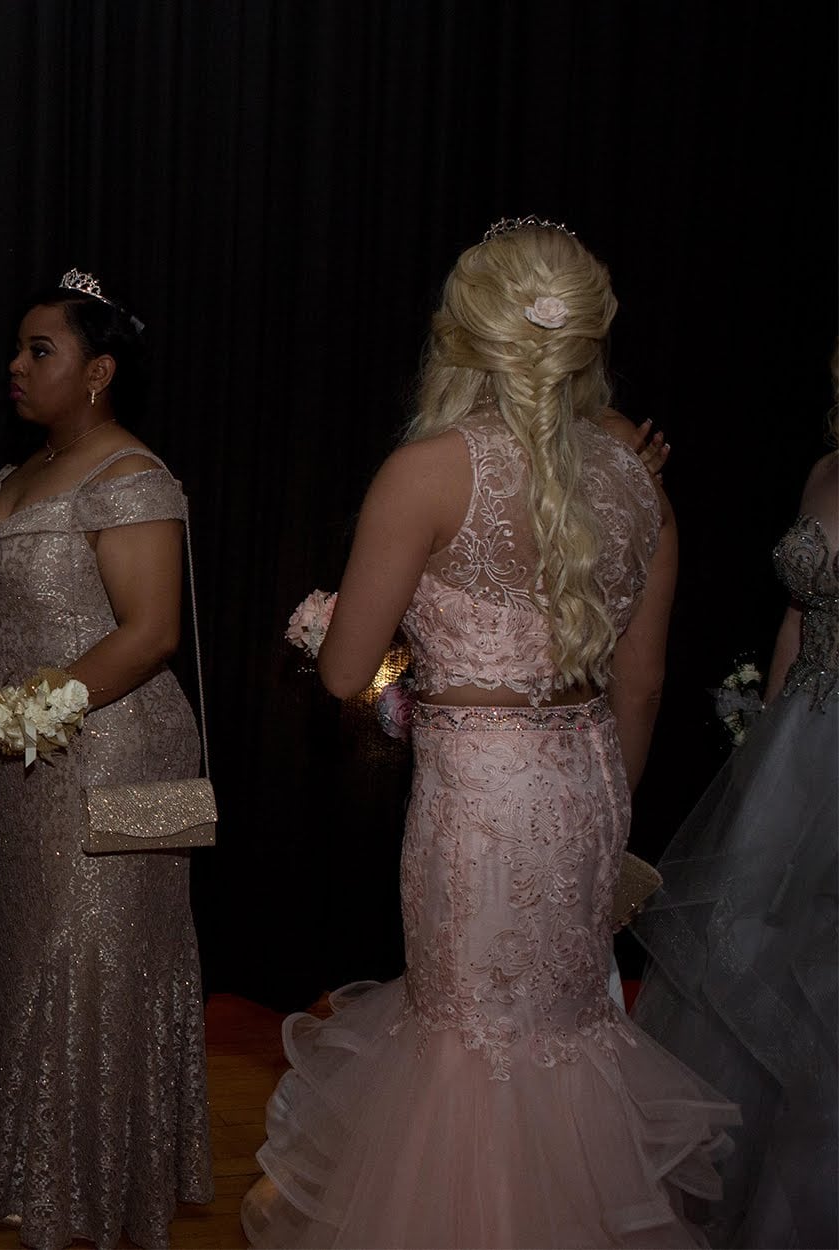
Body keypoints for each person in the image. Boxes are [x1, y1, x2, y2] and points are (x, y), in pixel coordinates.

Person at [241, 218, 737, 1248]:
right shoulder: (636, 478)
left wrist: (350, 639)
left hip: (476, 800)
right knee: (562, 1034)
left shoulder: (425, 471)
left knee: (467, 1042)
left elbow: (345, 670)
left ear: (458, 332)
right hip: (589, 787)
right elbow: (638, 689)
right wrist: (603, 823)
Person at [0, 270, 211, 1249]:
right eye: (15, 348)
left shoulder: (132, 477)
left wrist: (25, 710)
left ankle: (94, 1186)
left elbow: (149, 636)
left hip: (122, 754)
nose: (14, 365)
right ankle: (43, 1157)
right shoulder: (13, 478)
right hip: (30, 762)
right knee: (39, 944)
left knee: (100, 961)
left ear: (95, 372)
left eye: (37, 350)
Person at [632, 400, 838, 1249]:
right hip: (797, 744)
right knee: (746, 952)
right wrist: (762, 747)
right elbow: (795, 614)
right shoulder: (826, 468)